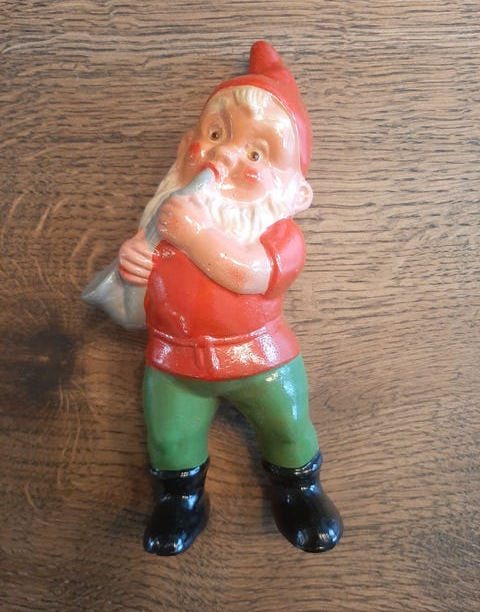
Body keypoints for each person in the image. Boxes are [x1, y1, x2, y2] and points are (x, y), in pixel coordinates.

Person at [117, 41, 343, 555]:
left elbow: (249, 274)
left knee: (287, 426)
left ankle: (299, 491)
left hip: (262, 360)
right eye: (215, 134)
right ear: (186, 146)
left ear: (295, 192)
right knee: (169, 438)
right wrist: (134, 262)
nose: (222, 155)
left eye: (256, 153)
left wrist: (197, 234)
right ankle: (180, 500)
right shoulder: (165, 216)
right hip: (174, 360)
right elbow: (141, 277)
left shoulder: (280, 235)